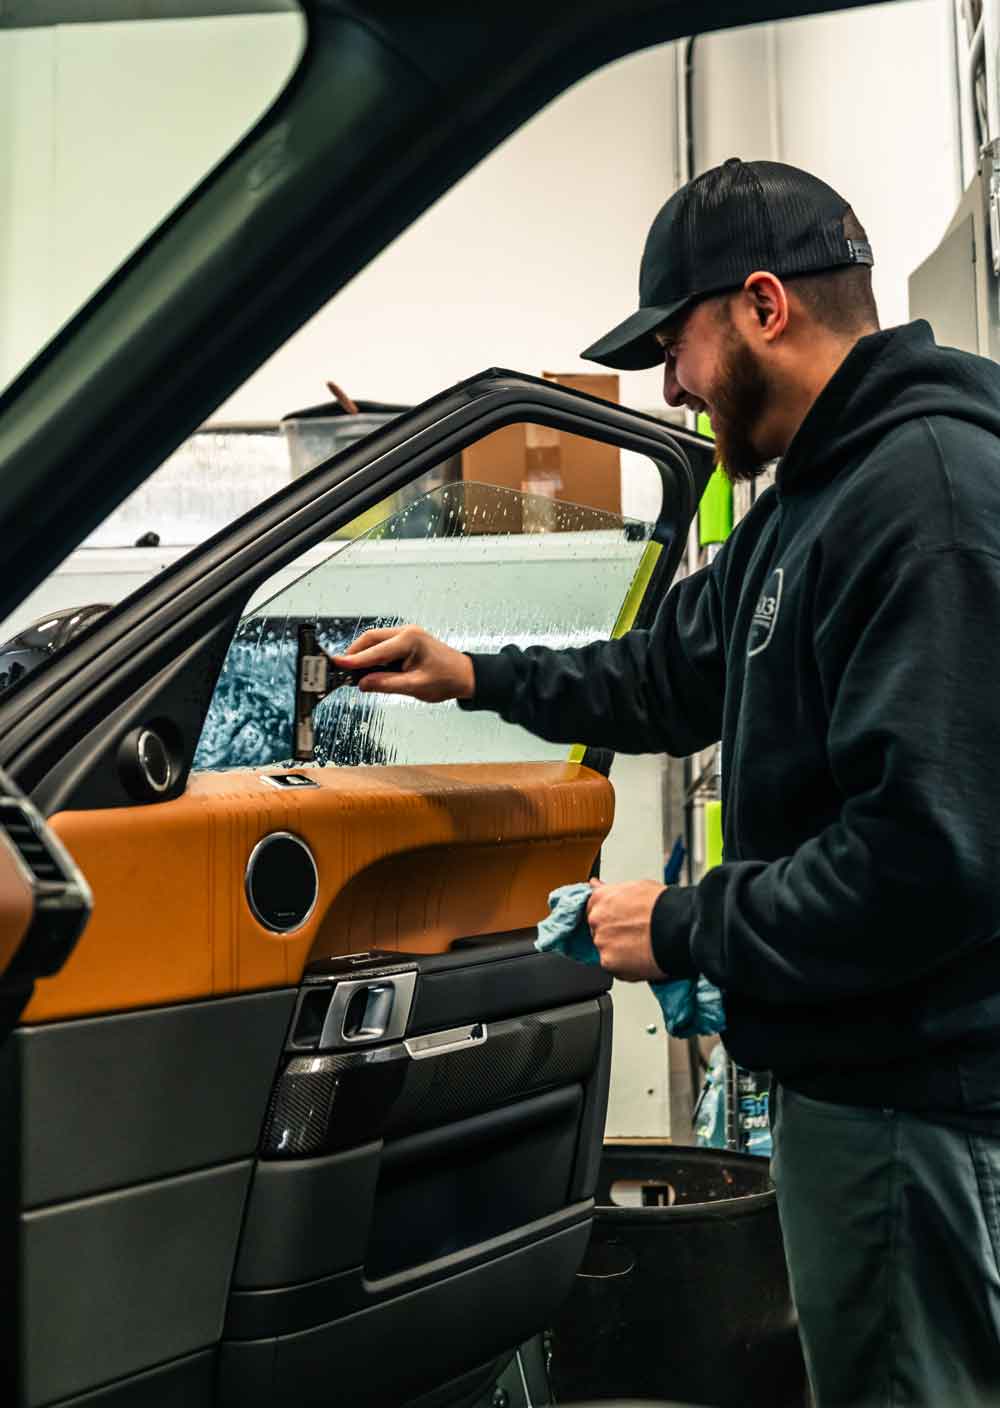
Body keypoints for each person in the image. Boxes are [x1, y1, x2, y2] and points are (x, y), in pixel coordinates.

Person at [334, 157, 1000, 1406]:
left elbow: (926, 861)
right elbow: (663, 675)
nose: (670, 387)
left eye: (672, 346)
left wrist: (680, 924)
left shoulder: (924, 499)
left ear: (762, 306)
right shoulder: (810, 501)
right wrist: (471, 670)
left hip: (919, 1112)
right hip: (858, 1093)